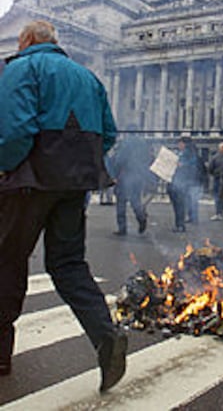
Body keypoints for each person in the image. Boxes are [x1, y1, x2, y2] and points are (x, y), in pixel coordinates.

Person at [0, 21, 127, 390]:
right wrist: (77, 166)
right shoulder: (88, 77)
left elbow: (14, 130)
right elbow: (109, 133)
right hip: (74, 186)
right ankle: (106, 336)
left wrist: (6, 166)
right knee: (69, 264)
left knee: (7, 260)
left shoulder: (21, 67)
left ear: (26, 41)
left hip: (28, 182)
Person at [112, 130, 150, 236]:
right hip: (138, 176)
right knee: (135, 200)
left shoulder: (125, 143)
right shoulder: (143, 143)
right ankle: (141, 218)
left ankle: (122, 228)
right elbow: (148, 159)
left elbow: (119, 160)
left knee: (121, 202)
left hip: (125, 175)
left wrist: (115, 174)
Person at [168, 136, 199, 232]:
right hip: (177, 182)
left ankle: (180, 225)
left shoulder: (190, 154)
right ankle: (179, 224)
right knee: (178, 205)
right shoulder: (183, 153)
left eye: (180, 143)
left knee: (180, 205)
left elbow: (193, 166)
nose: (178, 145)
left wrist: (182, 165)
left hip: (183, 183)